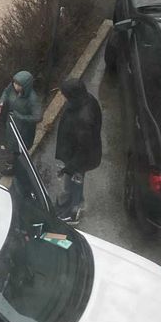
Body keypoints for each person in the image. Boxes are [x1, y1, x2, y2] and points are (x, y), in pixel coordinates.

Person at [54, 77, 102, 222]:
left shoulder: (83, 119)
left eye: (65, 94)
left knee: (75, 182)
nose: (63, 97)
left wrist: (69, 167)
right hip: (76, 155)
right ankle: (71, 201)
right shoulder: (87, 100)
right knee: (73, 182)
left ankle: (73, 212)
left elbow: (84, 149)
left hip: (79, 160)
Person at [0, 70, 42, 164]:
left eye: (18, 85)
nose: (15, 86)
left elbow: (38, 117)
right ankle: (14, 156)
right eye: (14, 83)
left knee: (20, 147)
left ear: (25, 86)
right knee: (11, 141)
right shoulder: (12, 87)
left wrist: (20, 117)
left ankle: (18, 163)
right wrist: (1, 102)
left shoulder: (32, 99)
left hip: (24, 130)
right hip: (12, 123)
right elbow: (6, 92)